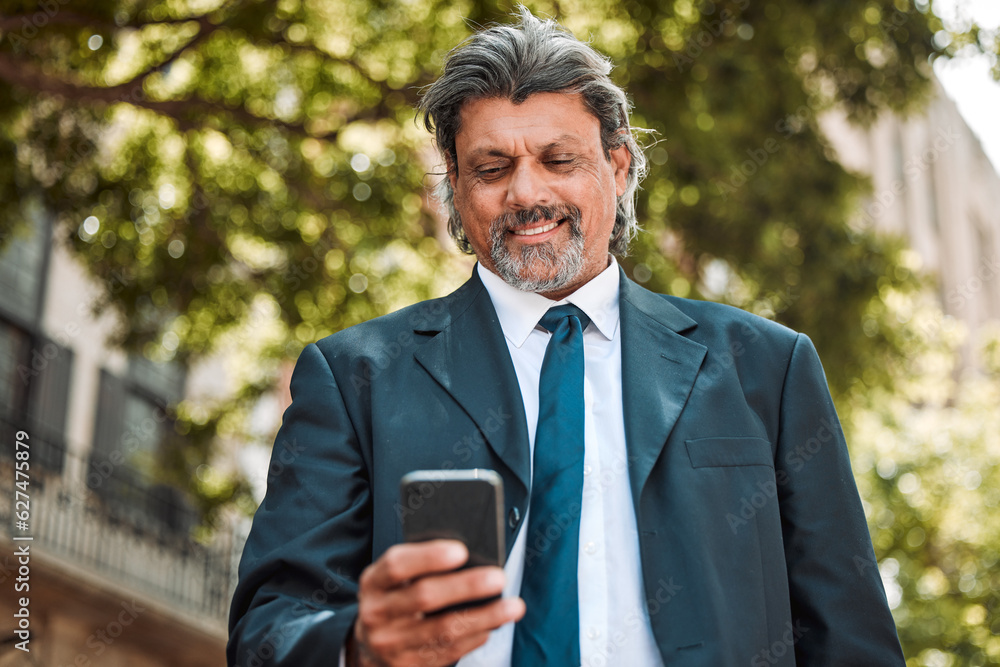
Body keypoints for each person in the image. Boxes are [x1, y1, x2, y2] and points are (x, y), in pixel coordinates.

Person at [227, 8, 905, 667]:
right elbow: (267, 630)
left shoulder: (768, 369)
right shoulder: (354, 377)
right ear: (456, 185)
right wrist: (359, 646)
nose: (527, 193)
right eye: (492, 168)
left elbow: (849, 637)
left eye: (559, 159)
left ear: (617, 165)